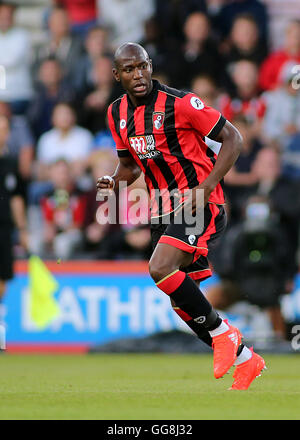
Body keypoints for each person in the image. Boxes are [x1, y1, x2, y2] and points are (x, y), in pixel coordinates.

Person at [97, 42, 266, 390]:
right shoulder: (117, 114)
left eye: (142, 66)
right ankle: (247, 359)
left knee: (160, 268)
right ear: (117, 76)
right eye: (129, 70)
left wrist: (206, 187)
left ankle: (224, 335)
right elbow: (129, 164)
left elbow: (232, 138)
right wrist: (114, 181)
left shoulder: (181, 103)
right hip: (164, 207)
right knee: (182, 303)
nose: (138, 74)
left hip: (200, 202)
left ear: (150, 65)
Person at [0, 115, 28, 325]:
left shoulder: (11, 163)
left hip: (4, 228)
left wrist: (22, 230)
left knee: (3, 280)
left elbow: (16, 198)